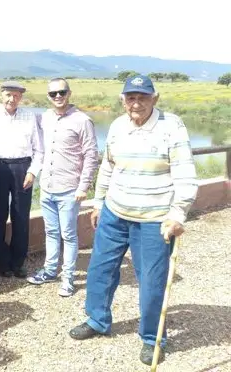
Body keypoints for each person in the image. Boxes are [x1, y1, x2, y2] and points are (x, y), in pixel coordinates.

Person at [68, 75, 198, 366]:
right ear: (123, 100)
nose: (136, 103)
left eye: (142, 97)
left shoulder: (172, 126)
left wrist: (178, 214)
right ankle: (98, 320)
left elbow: (186, 175)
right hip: (115, 213)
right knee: (100, 270)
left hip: (155, 220)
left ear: (155, 99)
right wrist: (99, 202)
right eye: (130, 97)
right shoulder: (117, 126)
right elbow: (108, 167)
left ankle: (152, 338)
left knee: (151, 281)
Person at [27, 78, 99, 297]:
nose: (58, 96)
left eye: (61, 92)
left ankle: (67, 278)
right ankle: (50, 270)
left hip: (69, 189)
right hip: (47, 187)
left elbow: (91, 155)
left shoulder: (82, 120)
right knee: (51, 231)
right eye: (53, 94)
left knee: (68, 234)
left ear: (69, 93)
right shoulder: (44, 118)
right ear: (48, 96)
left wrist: (83, 186)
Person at [0, 81, 44, 278]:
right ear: (1, 96)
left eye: (16, 95)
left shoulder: (30, 117)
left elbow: (39, 148)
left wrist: (33, 172)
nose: (12, 99)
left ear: (21, 97)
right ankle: (3, 262)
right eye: (8, 95)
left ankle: (18, 262)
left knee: (21, 216)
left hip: (23, 167)